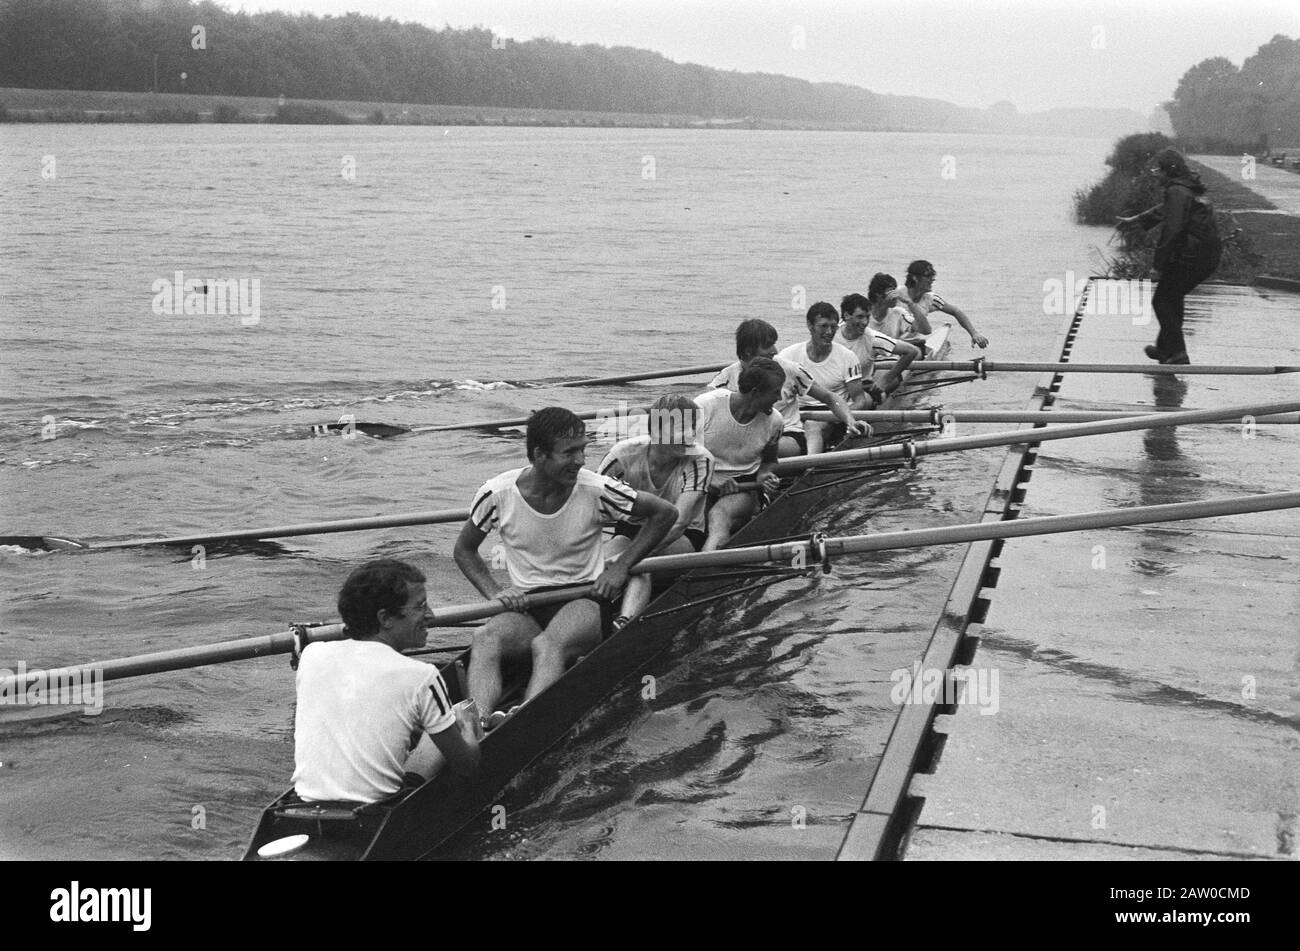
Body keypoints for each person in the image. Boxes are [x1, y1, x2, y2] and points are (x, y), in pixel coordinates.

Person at [454, 407, 676, 724]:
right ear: (538, 455)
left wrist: (621, 567)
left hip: (584, 598)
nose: (581, 460)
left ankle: (522, 722)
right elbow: (464, 550)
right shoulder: (496, 494)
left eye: (583, 449)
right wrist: (495, 593)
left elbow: (664, 513)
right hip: (528, 605)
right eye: (569, 452)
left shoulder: (597, 489)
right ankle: (475, 725)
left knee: (549, 644)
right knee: (484, 638)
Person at [292, 559, 480, 804]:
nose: (431, 615)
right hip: (377, 814)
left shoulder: (312, 654)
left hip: (305, 804)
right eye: (420, 606)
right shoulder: (422, 675)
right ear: (385, 618)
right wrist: (469, 727)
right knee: (458, 724)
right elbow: (467, 765)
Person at [597, 395, 713, 629]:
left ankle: (624, 624)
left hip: (683, 534)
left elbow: (679, 522)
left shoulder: (700, 458)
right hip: (631, 528)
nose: (691, 436)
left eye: (693, 428)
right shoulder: (622, 456)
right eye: (683, 429)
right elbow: (590, 508)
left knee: (642, 564)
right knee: (594, 567)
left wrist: (624, 561)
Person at [1116, 147, 1222, 365]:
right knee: (1172, 297)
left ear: (1168, 171)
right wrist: (1135, 220)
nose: (1156, 174)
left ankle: (1179, 353)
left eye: (1158, 170)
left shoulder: (1177, 191)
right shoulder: (1184, 188)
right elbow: (1165, 210)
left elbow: (1173, 229)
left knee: (1162, 300)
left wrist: (1158, 266)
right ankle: (1165, 349)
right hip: (1205, 254)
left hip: (1194, 256)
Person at [709, 318, 868, 458]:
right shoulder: (724, 380)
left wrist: (850, 421)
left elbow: (830, 398)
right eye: (768, 346)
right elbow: (696, 415)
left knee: (746, 448)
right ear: (748, 351)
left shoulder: (790, 369)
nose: (775, 351)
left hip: (787, 436)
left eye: (774, 344)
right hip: (745, 438)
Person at [694, 357, 786, 551]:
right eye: (775, 392)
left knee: (718, 516)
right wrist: (706, 486)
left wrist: (764, 476)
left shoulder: (775, 421)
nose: (779, 398)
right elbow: (673, 453)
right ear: (755, 393)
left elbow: (769, 462)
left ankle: (705, 569)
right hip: (697, 484)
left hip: (743, 487)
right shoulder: (706, 405)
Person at [777, 301, 870, 454]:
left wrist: (840, 417)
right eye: (823, 326)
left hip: (832, 412)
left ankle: (808, 468)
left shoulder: (847, 357)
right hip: (796, 414)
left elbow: (859, 400)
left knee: (813, 425)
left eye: (833, 327)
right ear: (810, 325)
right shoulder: (788, 355)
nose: (829, 332)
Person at [837, 291, 922, 404]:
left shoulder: (872, 338)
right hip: (835, 388)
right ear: (847, 315)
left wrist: (886, 380)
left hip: (863, 389)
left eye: (867, 317)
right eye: (860, 317)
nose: (865, 322)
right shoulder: (831, 333)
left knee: (862, 402)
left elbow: (911, 351)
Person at [901, 260, 990, 351]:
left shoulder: (930, 299)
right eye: (928, 276)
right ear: (915, 278)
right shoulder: (897, 295)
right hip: (894, 343)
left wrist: (974, 334)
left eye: (933, 276)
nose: (932, 279)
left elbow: (955, 311)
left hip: (912, 345)